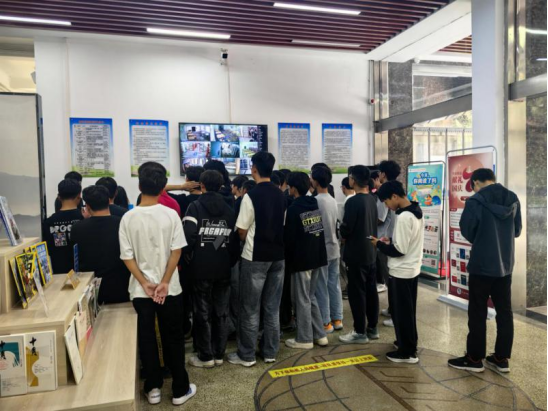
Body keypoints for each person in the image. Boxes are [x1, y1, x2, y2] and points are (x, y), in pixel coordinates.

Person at [119, 162, 196, 407]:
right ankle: (180, 389)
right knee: (173, 337)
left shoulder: (128, 217)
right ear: (163, 187)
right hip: (169, 289)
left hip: (141, 291)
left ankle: (153, 388)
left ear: (139, 185)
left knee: (147, 338)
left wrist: (145, 283)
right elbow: (177, 251)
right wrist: (164, 282)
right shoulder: (171, 214)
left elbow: (127, 257)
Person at [448, 169, 522, 374]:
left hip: (481, 265)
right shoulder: (513, 198)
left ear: (475, 182)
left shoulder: (475, 201)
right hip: (505, 265)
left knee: (478, 311)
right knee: (504, 312)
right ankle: (501, 358)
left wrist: (483, 239)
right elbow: (517, 231)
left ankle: (474, 359)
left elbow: (467, 230)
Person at [228, 152, 287, 367]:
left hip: (255, 257)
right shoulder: (281, 194)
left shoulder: (250, 196)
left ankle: (247, 355)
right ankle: (270, 352)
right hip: (278, 257)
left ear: (254, 169)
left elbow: (242, 230)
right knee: (272, 308)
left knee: (250, 308)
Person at [183, 171, 239, 369]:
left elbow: (188, 236)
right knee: (221, 313)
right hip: (223, 268)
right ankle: (219, 353)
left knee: (202, 312)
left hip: (200, 269)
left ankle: (205, 356)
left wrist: (190, 258)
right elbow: (234, 243)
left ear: (202, 185)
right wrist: (226, 260)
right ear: (221, 185)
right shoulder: (229, 210)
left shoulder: (195, 207)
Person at [372, 181, 424, 364]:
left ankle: (407, 352)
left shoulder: (403, 217)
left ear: (394, 196)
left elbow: (399, 250)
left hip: (401, 271)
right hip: (412, 268)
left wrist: (379, 244)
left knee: (401, 313)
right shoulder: (416, 211)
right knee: (408, 311)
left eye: (386, 202)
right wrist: (390, 239)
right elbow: (407, 241)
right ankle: (408, 342)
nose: (387, 206)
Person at [284, 172, 329, 350]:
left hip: (302, 260)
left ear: (293, 188)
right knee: (310, 297)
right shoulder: (313, 203)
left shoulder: (293, 209)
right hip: (318, 256)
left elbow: (289, 238)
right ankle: (320, 335)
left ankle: (304, 339)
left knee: (302, 299)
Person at [339, 166, 379, 345]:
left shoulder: (353, 202)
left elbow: (346, 228)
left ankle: (359, 332)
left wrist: (340, 229)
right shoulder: (371, 199)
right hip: (370, 251)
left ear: (352, 180)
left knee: (357, 293)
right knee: (371, 291)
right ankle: (373, 328)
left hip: (356, 253)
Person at [72, 185, 130, 304]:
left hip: (90, 289)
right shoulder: (122, 223)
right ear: (109, 201)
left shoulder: (77, 228)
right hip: (121, 287)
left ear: (87, 206)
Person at [311, 166, 344, 334]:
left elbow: (314, 228)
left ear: (315, 181)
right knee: (334, 285)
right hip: (334, 248)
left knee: (321, 287)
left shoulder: (315, 201)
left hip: (322, 249)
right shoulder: (332, 200)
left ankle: (325, 322)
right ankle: (337, 318)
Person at [377, 160, 402, 327]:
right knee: (390, 278)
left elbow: (380, 218)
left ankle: (395, 313)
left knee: (391, 278)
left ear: (383, 174)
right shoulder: (397, 189)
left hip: (386, 239)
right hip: (391, 238)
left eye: (379, 172)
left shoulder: (385, 191)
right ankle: (393, 309)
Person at [43, 179, 84, 274]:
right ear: (79, 195)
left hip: (58, 273)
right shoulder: (83, 219)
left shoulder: (48, 222)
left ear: (59, 197)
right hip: (82, 272)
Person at [339, 176, 356, 300]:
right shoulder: (357, 198)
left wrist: (343, 238)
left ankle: (349, 288)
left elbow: (345, 222)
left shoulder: (347, 201)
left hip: (347, 239)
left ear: (344, 188)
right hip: (355, 240)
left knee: (344, 264)